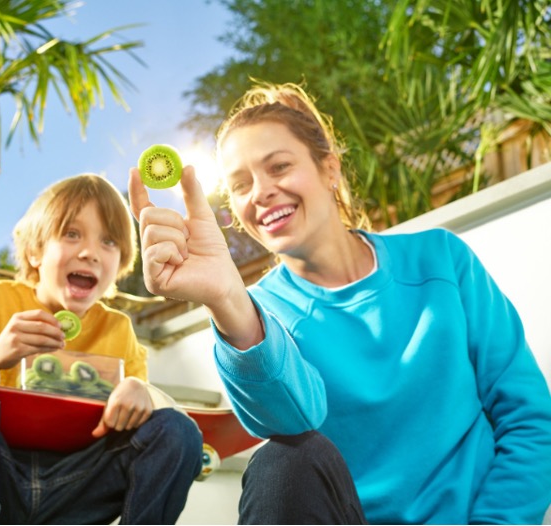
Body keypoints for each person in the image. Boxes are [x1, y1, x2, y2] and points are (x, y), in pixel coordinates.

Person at [128, 82, 551, 524]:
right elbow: (292, 423)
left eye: (279, 167)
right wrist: (228, 300)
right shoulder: (256, 314)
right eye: (240, 185)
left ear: (329, 169)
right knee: (282, 460)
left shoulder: (441, 259)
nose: (261, 191)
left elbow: (528, 417)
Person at [0, 174, 203, 525]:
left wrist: (143, 393)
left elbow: (149, 422)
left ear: (120, 264)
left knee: (177, 430)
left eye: (108, 242)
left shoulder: (119, 329)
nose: (89, 252)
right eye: (71, 234)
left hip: (78, 486)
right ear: (35, 252)